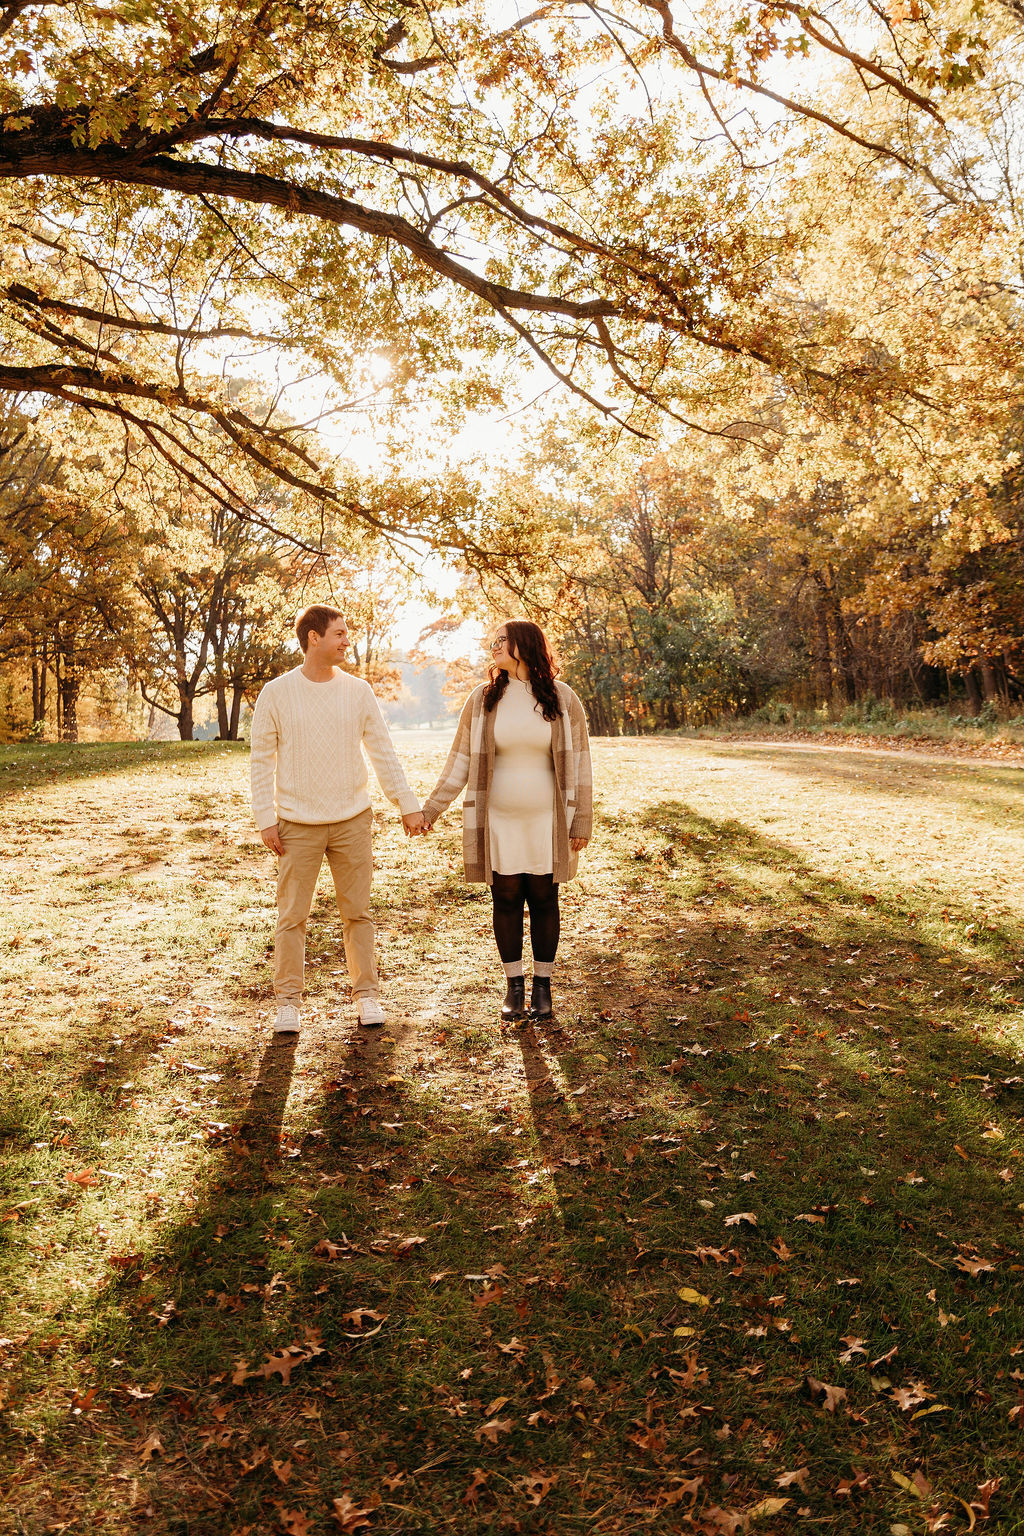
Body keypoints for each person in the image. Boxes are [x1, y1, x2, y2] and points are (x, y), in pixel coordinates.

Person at [249, 604, 425, 1035]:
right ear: (314, 638)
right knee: (292, 917)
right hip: (296, 826)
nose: (348, 641)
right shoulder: (276, 693)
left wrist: (407, 803)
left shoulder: (358, 691)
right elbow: (260, 761)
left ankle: (367, 996)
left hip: (352, 820)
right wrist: (266, 818)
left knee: (358, 914)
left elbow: (383, 751)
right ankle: (287, 1004)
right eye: (340, 634)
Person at [421, 620, 592, 1021]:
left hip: (548, 821)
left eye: (502, 640)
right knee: (506, 898)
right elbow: (459, 762)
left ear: (524, 645)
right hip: (498, 820)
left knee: (545, 899)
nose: (494, 646)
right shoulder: (483, 699)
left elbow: (582, 764)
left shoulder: (563, 698)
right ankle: (514, 987)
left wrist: (582, 819)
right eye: (493, 641)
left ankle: (542, 987)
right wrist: (430, 809)